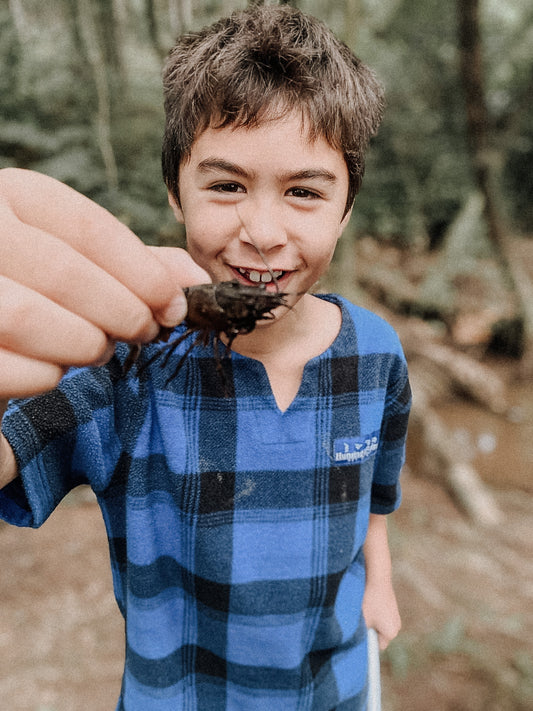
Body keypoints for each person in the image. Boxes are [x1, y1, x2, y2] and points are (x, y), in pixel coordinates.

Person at [0, 5, 411, 710]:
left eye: (304, 192)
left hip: (334, 689)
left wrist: (379, 577)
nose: (261, 232)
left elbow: (375, 491)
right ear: (175, 189)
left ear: (346, 208)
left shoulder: (375, 353)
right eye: (226, 185)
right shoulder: (124, 360)